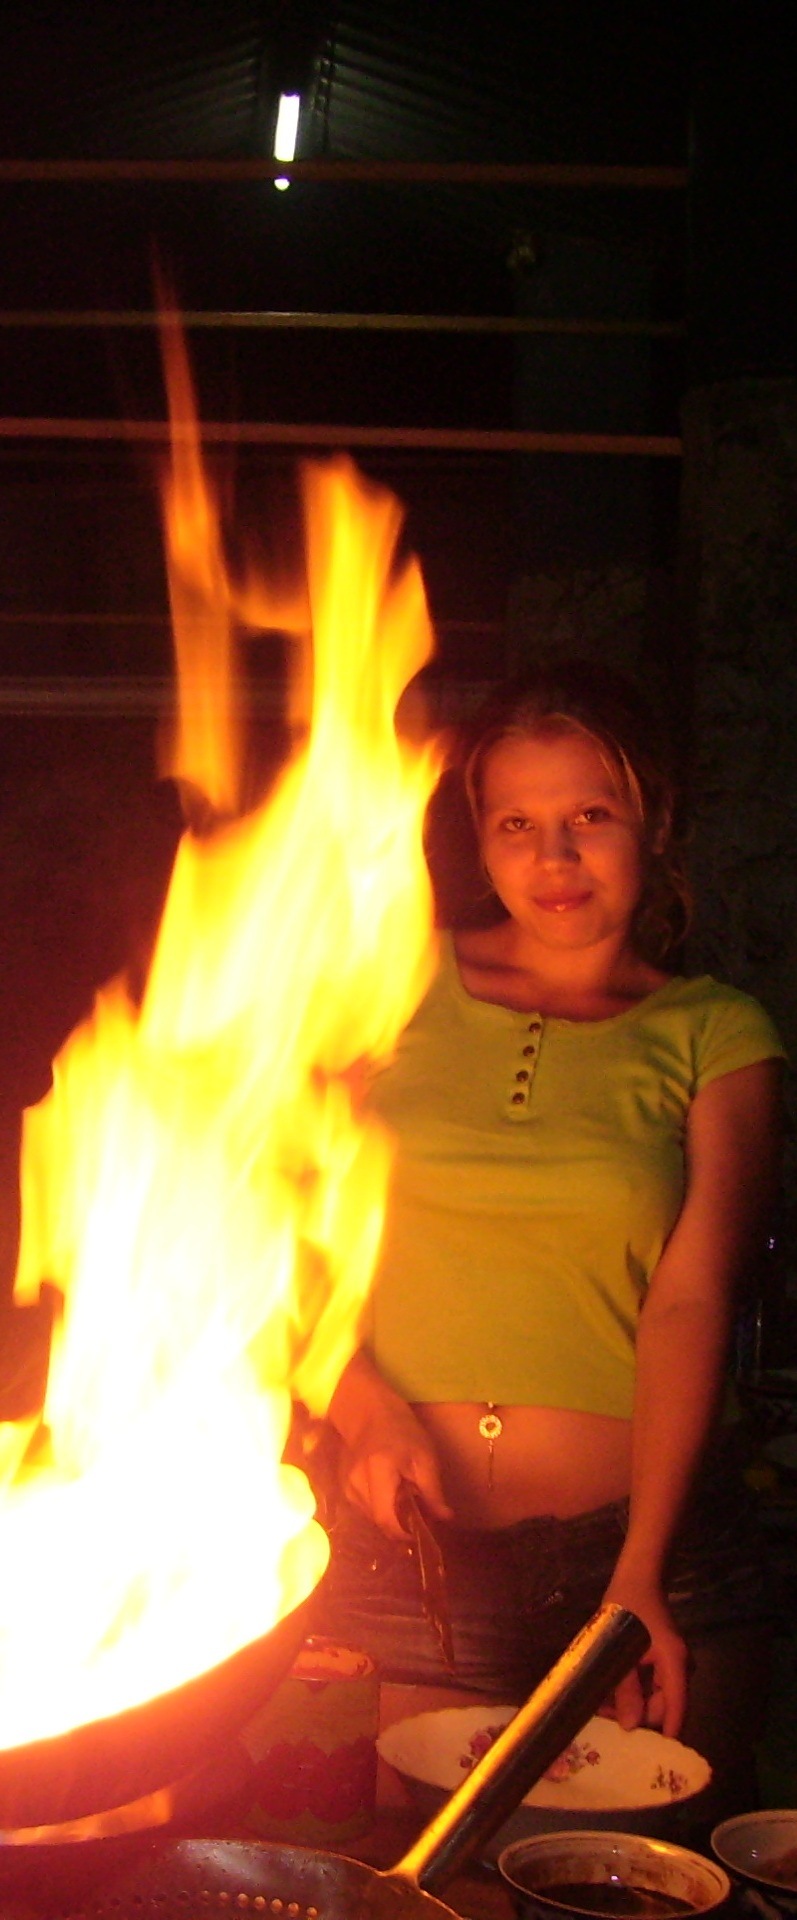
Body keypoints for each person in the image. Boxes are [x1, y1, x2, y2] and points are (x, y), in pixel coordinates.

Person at [309, 656, 785, 1824]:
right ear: (478, 839)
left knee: (648, 1873)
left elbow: (691, 1299)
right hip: (416, 1553)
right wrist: (362, 1408)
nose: (553, 858)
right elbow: (283, 1242)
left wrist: (636, 1580)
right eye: (515, 823)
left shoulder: (714, 1031)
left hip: (650, 1546)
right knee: (425, 1873)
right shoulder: (387, 987)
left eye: (589, 816)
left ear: (651, 822)